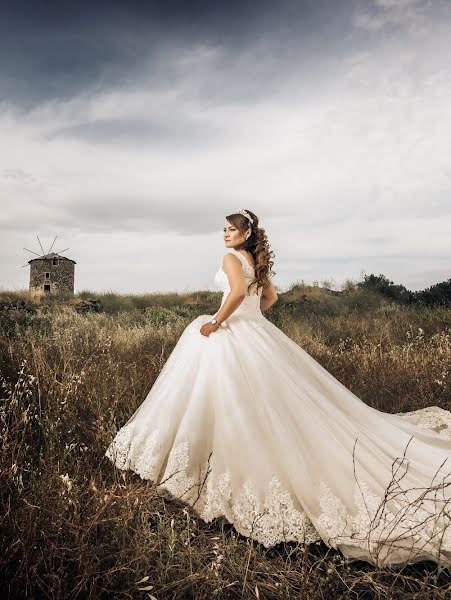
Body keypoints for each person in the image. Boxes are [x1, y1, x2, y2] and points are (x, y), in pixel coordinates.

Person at [105, 209, 451, 568]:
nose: (225, 234)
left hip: (232, 330)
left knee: (228, 399)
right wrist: (251, 318)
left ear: (245, 233)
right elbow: (269, 299)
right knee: (266, 401)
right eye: (223, 229)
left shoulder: (230, 258)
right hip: (255, 332)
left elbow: (238, 292)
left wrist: (216, 322)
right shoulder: (255, 260)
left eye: (231, 229)